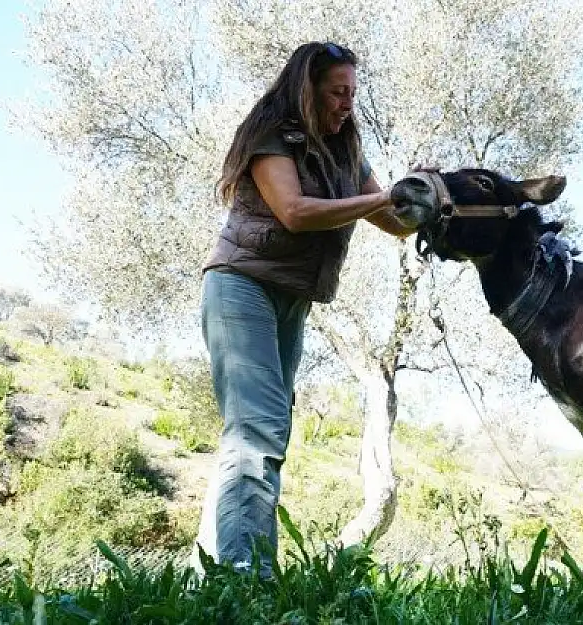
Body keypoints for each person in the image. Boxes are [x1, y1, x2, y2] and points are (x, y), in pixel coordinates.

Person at [191, 41, 415, 577]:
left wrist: (426, 199)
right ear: (307, 89)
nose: (347, 104)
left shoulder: (346, 151)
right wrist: (383, 200)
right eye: (338, 92)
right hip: (240, 286)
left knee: (258, 433)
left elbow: (393, 222)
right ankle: (247, 575)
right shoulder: (273, 135)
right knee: (258, 429)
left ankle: (210, 575)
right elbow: (294, 211)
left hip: (293, 297)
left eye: (353, 93)